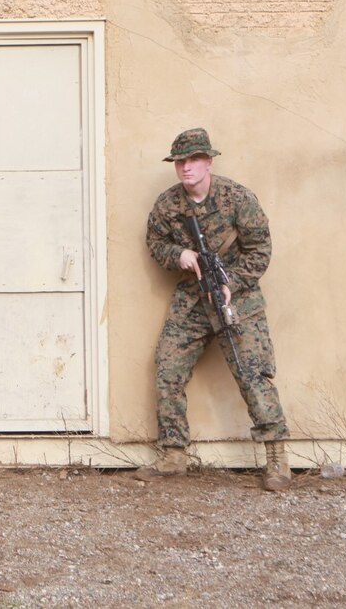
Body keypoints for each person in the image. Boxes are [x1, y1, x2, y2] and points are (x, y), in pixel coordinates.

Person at [135, 128, 291, 491]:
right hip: (192, 298)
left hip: (236, 298)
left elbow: (260, 252)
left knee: (253, 372)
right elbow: (155, 242)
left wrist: (229, 283)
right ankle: (174, 455)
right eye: (179, 162)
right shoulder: (168, 205)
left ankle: (277, 459)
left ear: (208, 161)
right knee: (167, 367)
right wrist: (180, 255)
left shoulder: (238, 199)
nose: (186, 168)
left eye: (193, 160)